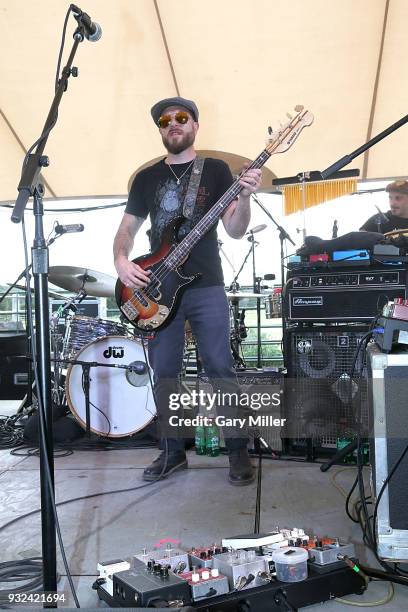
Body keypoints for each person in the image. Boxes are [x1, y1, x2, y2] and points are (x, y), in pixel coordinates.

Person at [113, 96, 262, 485]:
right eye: (165, 121)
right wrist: (122, 262)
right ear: (161, 130)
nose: (173, 124)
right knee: (164, 371)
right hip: (158, 287)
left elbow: (234, 228)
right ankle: (173, 452)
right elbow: (127, 228)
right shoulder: (146, 178)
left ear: (195, 125)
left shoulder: (214, 170)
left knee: (219, 368)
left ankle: (237, 452)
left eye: (181, 118)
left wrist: (244, 196)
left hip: (206, 284)